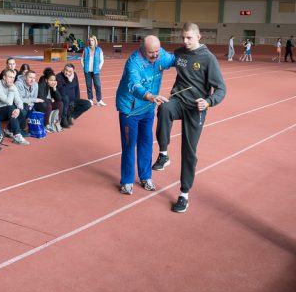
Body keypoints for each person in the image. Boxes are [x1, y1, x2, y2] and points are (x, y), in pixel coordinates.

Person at [153, 22, 227, 213]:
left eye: (189, 38)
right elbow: (160, 58)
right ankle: (163, 154)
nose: (185, 41)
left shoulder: (208, 58)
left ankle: (184, 194)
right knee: (164, 107)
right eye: (183, 37)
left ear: (198, 37)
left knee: (189, 150)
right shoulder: (179, 53)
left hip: (196, 108)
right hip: (178, 101)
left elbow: (221, 89)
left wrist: (209, 102)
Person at [115, 36, 176, 195]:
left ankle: (146, 177)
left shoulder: (161, 54)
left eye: (157, 51)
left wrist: (191, 55)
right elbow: (134, 85)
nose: (155, 55)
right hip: (130, 110)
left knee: (146, 143)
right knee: (129, 145)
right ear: (142, 49)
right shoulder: (133, 63)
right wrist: (150, 96)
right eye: (151, 52)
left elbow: (174, 60)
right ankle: (127, 181)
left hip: (148, 109)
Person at [0, 68, 29, 145]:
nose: (12, 79)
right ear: (4, 77)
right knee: (11, 107)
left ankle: (9, 129)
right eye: (10, 77)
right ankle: (17, 135)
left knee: (24, 106)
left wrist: (18, 109)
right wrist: (11, 89)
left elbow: (19, 100)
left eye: (13, 77)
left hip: (7, 110)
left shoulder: (13, 86)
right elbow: (8, 102)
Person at [56, 63, 92, 129]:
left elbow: (77, 88)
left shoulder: (74, 75)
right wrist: (69, 81)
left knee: (88, 104)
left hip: (72, 99)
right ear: (63, 69)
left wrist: (77, 101)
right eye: (66, 70)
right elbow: (62, 92)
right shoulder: (58, 77)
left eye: (70, 71)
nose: (67, 73)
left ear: (73, 71)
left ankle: (71, 116)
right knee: (66, 98)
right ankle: (63, 119)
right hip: (63, 99)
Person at [82, 35, 105, 106]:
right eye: (90, 40)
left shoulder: (99, 50)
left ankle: (99, 100)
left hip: (96, 71)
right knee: (89, 86)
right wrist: (84, 67)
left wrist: (99, 68)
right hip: (87, 71)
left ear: (95, 41)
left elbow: (102, 60)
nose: (91, 42)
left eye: (92, 40)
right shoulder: (86, 49)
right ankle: (90, 99)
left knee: (98, 85)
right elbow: (82, 59)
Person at [38, 68, 63, 132]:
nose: (53, 82)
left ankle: (57, 122)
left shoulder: (52, 86)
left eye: (54, 80)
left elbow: (59, 99)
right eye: (51, 80)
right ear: (46, 80)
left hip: (48, 103)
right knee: (49, 105)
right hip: (40, 104)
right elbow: (41, 98)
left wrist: (54, 89)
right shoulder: (41, 84)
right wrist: (50, 100)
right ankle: (46, 125)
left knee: (60, 104)